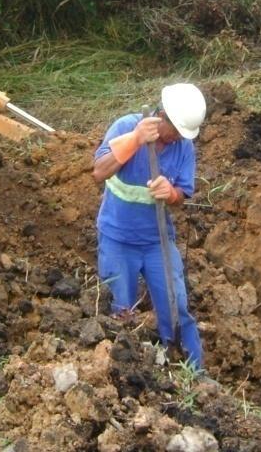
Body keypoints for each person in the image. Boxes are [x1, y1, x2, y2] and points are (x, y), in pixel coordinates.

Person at [92, 83, 206, 368]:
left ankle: (192, 372)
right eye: (176, 130)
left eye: (184, 134)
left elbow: (181, 195)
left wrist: (171, 193)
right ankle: (123, 374)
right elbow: (99, 172)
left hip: (158, 241)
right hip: (117, 238)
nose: (179, 137)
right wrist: (135, 140)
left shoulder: (183, 147)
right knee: (120, 312)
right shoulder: (126, 127)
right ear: (162, 115)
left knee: (176, 307)